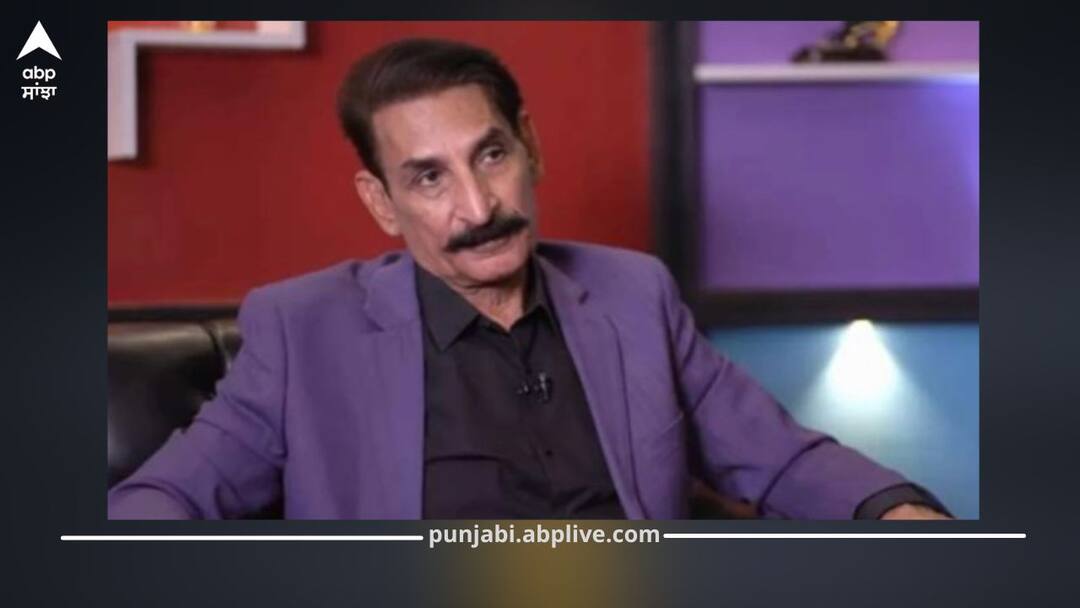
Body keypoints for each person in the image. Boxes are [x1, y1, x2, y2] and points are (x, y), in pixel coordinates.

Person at [108, 38, 950, 520]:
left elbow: (780, 457)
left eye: (491, 155)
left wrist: (899, 514)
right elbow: (164, 501)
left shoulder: (633, 295)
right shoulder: (304, 331)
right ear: (381, 203)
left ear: (530, 146)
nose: (479, 206)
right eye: (429, 178)